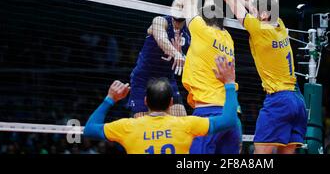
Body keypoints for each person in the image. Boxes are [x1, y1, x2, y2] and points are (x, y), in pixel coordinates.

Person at [199, 0, 307, 154]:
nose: (253, 13)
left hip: (279, 100)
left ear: (264, 15)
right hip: (297, 100)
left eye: (257, 12)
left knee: (260, 155)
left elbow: (234, 2)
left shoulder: (259, 30)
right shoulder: (279, 25)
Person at [83, 55, 238, 154]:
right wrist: (229, 83)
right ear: (171, 103)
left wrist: (110, 99)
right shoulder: (187, 124)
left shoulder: (128, 127)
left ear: (145, 101)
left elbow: (89, 129)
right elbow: (230, 120)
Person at [181, 0, 241, 154]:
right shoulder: (227, 38)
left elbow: (189, 4)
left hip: (208, 113)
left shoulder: (201, 31)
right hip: (232, 115)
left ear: (203, 19)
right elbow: (210, 13)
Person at [128, 0, 190, 117]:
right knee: (142, 125)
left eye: (184, 6)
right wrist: (175, 53)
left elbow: (193, 58)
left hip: (167, 80)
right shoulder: (160, 21)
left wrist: (183, 55)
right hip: (144, 79)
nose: (180, 8)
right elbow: (161, 38)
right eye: (177, 5)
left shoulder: (190, 31)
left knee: (181, 120)